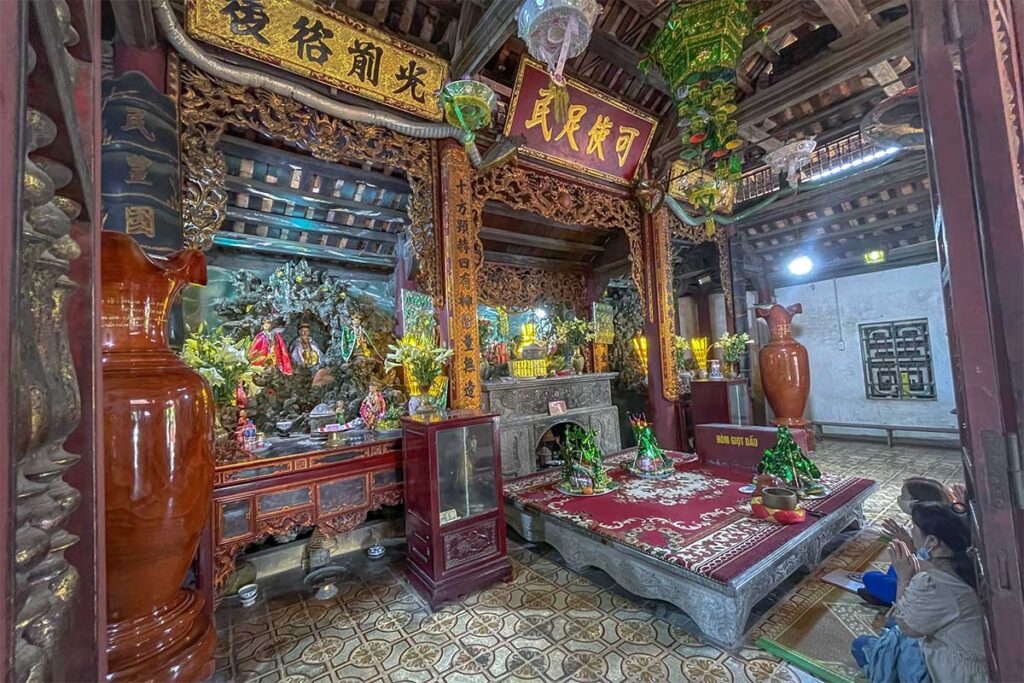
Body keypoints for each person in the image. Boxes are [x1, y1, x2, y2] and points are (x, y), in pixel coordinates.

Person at [851, 502, 988, 683]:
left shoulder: (934, 584)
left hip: (960, 672)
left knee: (862, 644)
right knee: (891, 627)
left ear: (932, 541)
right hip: (975, 658)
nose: (910, 530)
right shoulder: (964, 561)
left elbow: (906, 627)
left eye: (913, 527)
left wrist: (904, 578)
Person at [859, 477, 954, 607]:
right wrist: (909, 543)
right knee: (894, 567)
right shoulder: (933, 521)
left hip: (926, 588)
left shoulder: (937, 531)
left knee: (870, 578)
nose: (900, 499)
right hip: (919, 574)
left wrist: (910, 550)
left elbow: (928, 570)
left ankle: (887, 597)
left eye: (904, 496)